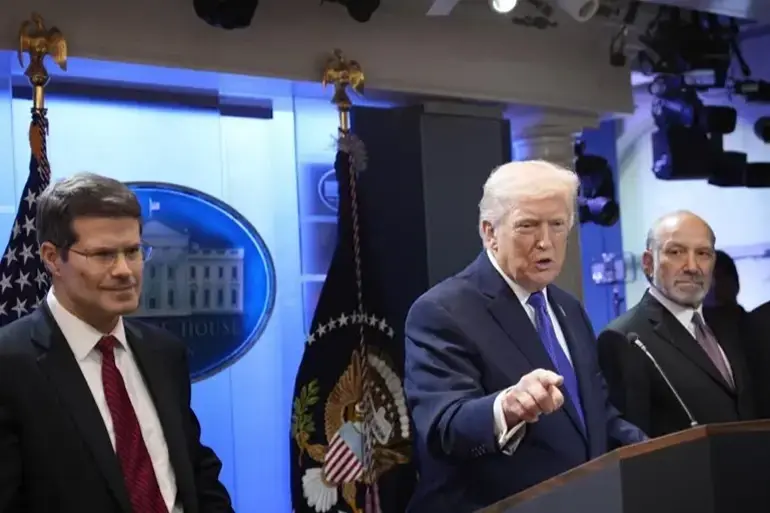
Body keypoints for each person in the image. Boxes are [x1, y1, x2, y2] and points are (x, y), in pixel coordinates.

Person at [404, 160, 646, 513]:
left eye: (557, 225)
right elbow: (444, 428)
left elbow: (595, 416)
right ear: (489, 232)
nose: (545, 242)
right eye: (528, 226)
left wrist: (661, 452)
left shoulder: (569, 308)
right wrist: (506, 407)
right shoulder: (441, 311)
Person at [0, 173, 233, 513]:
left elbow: (196, 470)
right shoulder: (10, 365)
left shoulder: (163, 352)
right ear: (51, 258)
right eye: (103, 254)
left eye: (133, 251)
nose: (125, 270)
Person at [597, 211, 757, 438]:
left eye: (703, 253)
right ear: (648, 263)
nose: (692, 266)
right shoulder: (624, 338)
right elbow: (631, 444)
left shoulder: (729, 325)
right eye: (676, 252)